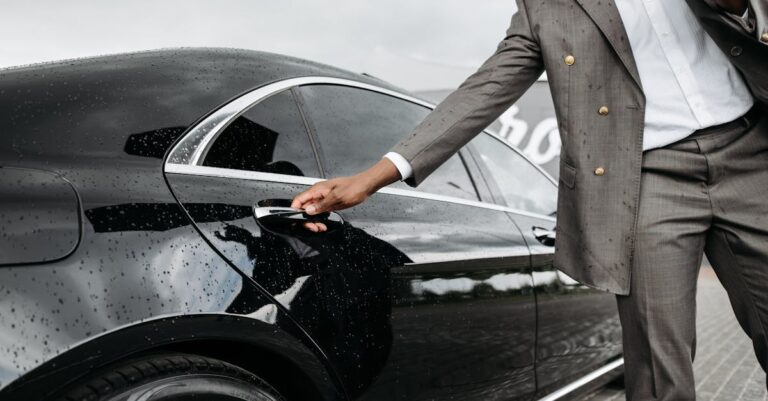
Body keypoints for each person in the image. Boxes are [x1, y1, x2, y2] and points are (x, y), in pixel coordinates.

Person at [292, 0, 768, 399]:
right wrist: (375, 176)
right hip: (645, 178)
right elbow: (489, 85)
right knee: (660, 371)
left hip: (752, 148)